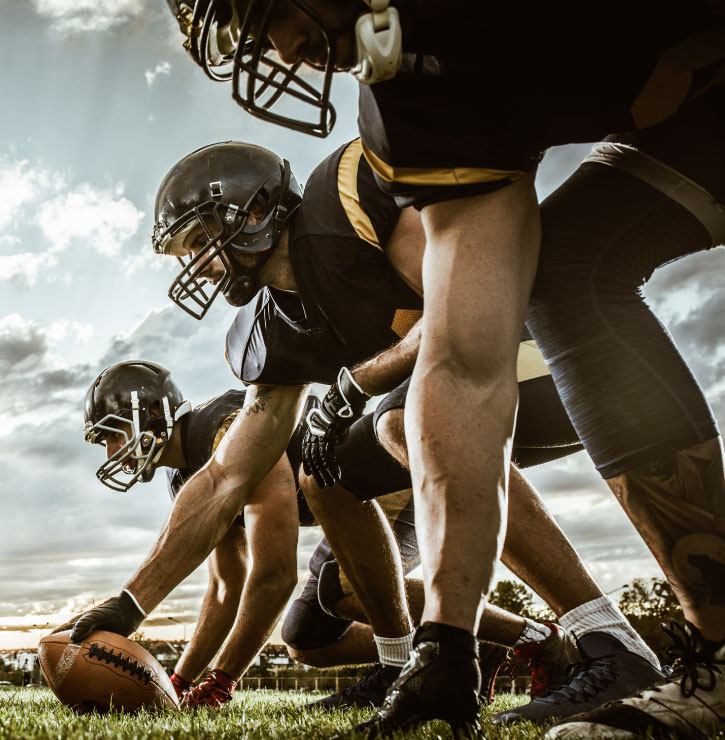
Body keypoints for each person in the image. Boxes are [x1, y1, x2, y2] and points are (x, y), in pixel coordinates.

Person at [171, 2, 725, 735]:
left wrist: (358, 381)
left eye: (256, 15)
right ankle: (708, 646)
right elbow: (465, 359)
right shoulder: (408, 100)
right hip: (697, 119)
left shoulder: (347, 207)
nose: (280, 50)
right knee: (562, 272)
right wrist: (447, 639)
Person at [64, 139, 659, 716]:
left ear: (257, 211)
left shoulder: (342, 207)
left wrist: (354, 385)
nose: (199, 266)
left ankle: (608, 640)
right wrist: (130, 603)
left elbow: (460, 309)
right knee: (327, 476)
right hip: (454, 397)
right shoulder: (268, 331)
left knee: (400, 418)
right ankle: (401, 664)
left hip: (551, 356)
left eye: (200, 242)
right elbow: (225, 478)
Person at [82, 360, 297, 708]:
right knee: (310, 633)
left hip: (373, 483)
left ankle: (410, 651)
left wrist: (221, 681)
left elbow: (276, 573)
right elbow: (227, 585)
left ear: (154, 411)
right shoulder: (184, 474)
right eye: (102, 440)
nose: (111, 453)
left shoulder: (223, 429)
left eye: (115, 432)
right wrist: (177, 683)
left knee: (314, 620)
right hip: (334, 503)